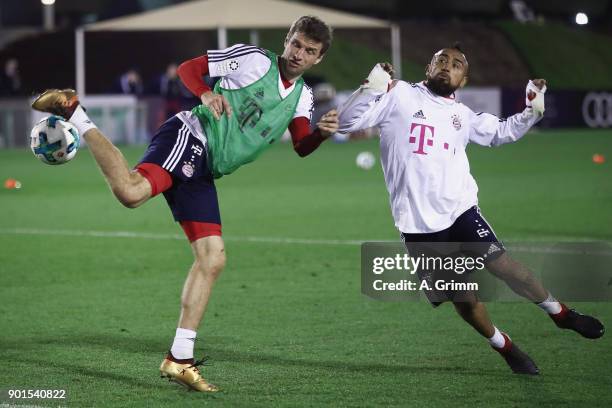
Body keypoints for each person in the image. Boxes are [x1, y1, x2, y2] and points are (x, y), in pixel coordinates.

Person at [31, 15, 338, 391]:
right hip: (191, 136)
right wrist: (206, 93)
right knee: (132, 193)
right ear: (287, 39)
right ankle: (74, 111)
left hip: (206, 168)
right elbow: (189, 69)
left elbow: (302, 144)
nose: (298, 54)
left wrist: (320, 135)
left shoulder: (304, 96)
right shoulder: (255, 60)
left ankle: (179, 359)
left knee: (213, 259)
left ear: (318, 59)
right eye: (296, 44)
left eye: (309, 51)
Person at [337, 45, 604, 375]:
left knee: (506, 267)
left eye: (457, 64)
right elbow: (345, 124)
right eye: (442, 60)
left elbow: (502, 132)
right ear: (428, 67)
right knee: (466, 299)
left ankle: (561, 314)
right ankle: (503, 345)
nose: (448, 67)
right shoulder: (399, 95)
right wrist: (370, 89)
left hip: (460, 210)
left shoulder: (462, 116)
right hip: (418, 224)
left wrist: (533, 109)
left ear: (464, 79)